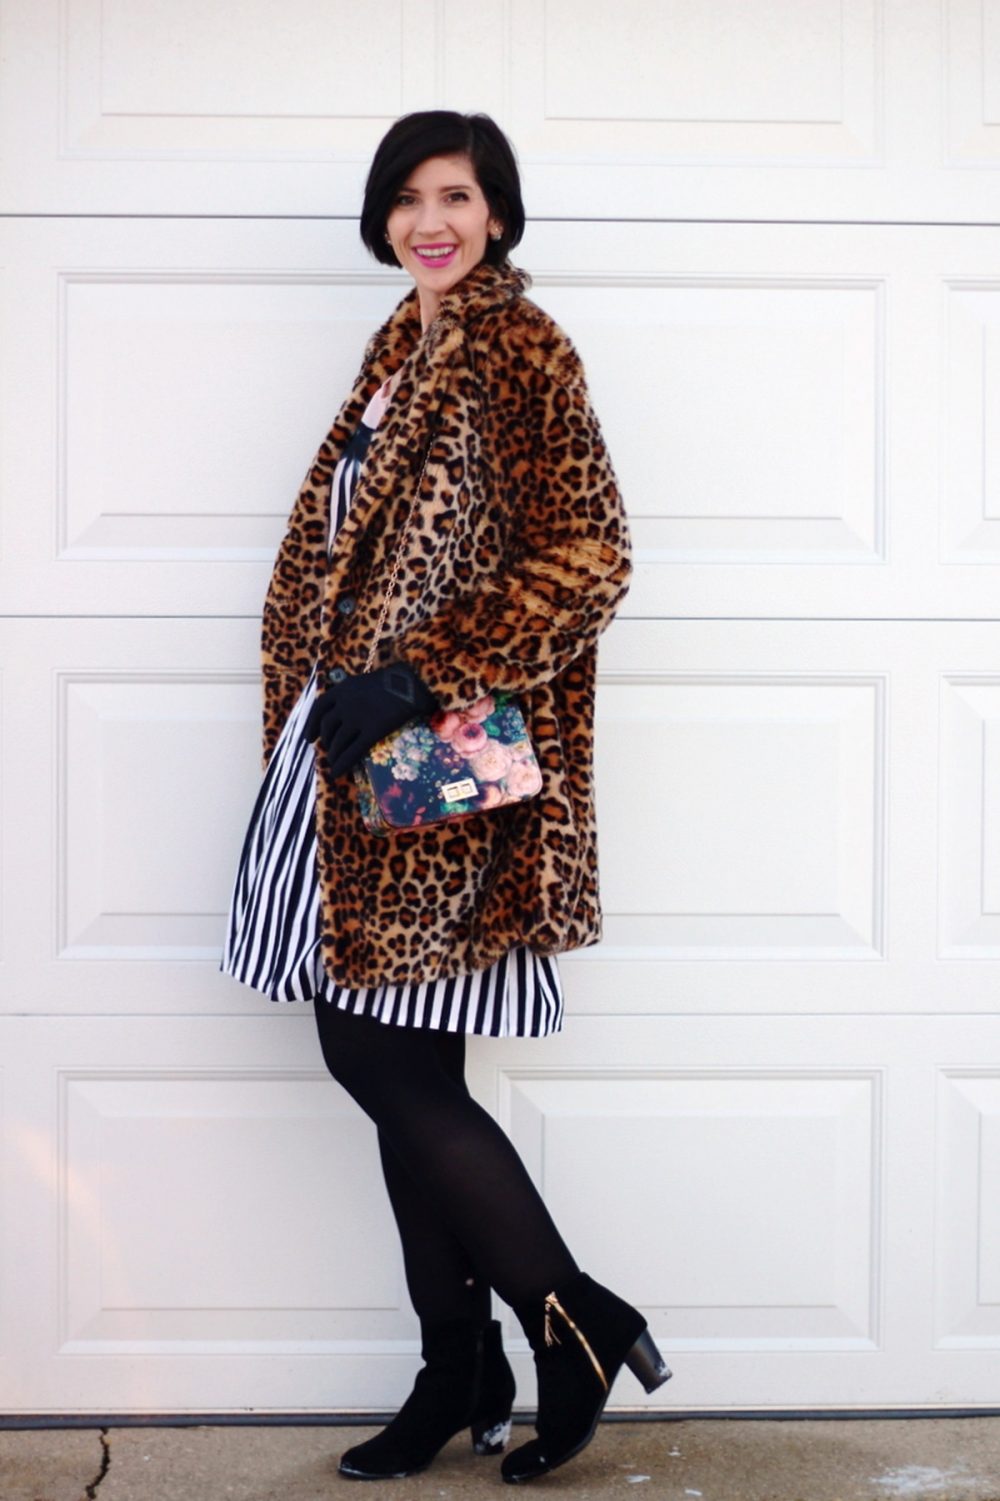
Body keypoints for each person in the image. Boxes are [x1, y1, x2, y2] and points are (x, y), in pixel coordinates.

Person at [221, 109, 670, 1484]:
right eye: (411, 196)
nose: (435, 219)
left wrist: (422, 674)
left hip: (436, 752)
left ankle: (566, 1319)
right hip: (352, 750)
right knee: (399, 1060)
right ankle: (459, 1367)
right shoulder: (397, 350)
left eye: (460, 195)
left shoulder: (520, 346)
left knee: (377, 1054)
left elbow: (591, 554)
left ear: (498, 211)